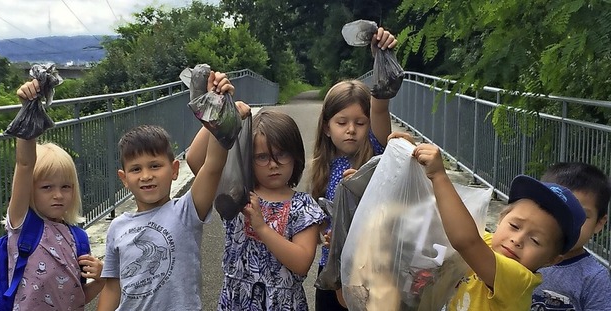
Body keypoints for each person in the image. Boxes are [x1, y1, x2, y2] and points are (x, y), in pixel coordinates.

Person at [95, 72, 233, 310]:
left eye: (155, 166)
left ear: (174, 170)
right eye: (136, 169)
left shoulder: (186, 211)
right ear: (124, 178)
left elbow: (212, 166)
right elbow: (112, 287)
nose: (146, 175)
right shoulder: (117, 227)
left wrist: (218, 109)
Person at [413, 143, 586, 310]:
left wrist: (439, 175)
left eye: (535, 240)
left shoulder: (518, 280)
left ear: (552, 260)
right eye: (514, 226)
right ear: (501, 218)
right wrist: (416, 156)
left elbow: (466, 241)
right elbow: (448, 218)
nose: (517, 240)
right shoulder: (488, 242)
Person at [186, 109, 327, 310]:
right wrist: (220, 115)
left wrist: (262, 228)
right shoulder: (236, 194)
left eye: (282, 154)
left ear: (296, 156)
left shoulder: (303, 205)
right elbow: (195, 160)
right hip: (236, 301)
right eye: (262, 157)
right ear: (248, 160)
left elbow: (302, 262)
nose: (273, 164)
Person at [310, 26, 399, 310]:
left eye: (360, 123)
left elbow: (380, 108)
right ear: (326, 126)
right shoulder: (322, 168)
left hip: (374, 274)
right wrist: (323, 234)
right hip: (332, 273)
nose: (351, 130)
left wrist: (381, 57)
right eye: (341, 122)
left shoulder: (377, 150)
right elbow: (320, 221)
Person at [6, 79, 104, 310]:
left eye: (65, 187)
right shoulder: (22, 225)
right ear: (30, 190)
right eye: (46, 187)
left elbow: (77, 297)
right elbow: (25, 164)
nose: (58, 195)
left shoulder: (78, 238)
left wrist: (103, 279)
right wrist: (28, 109)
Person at [531, 162, 611, 310]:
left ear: (599, 223)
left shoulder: (594, 278)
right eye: (554, 210)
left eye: (580, 216)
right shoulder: (518, 252)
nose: (565, 223)